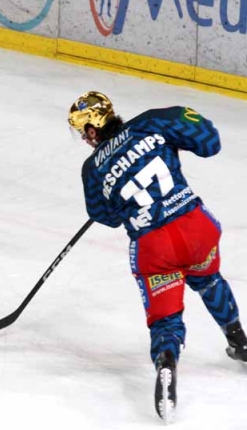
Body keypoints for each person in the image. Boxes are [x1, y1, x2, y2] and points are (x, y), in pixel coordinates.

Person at [68, 91, 247, 421]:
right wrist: (177, 127)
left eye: (82, 132)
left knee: (165, 319)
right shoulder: (155, 120)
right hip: (196, 227)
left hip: (154, 245)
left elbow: (104, 216)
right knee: (208, 281)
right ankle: (240, 341)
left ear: (92, 130)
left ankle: (167, 361)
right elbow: (210, 142)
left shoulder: (92, 169)